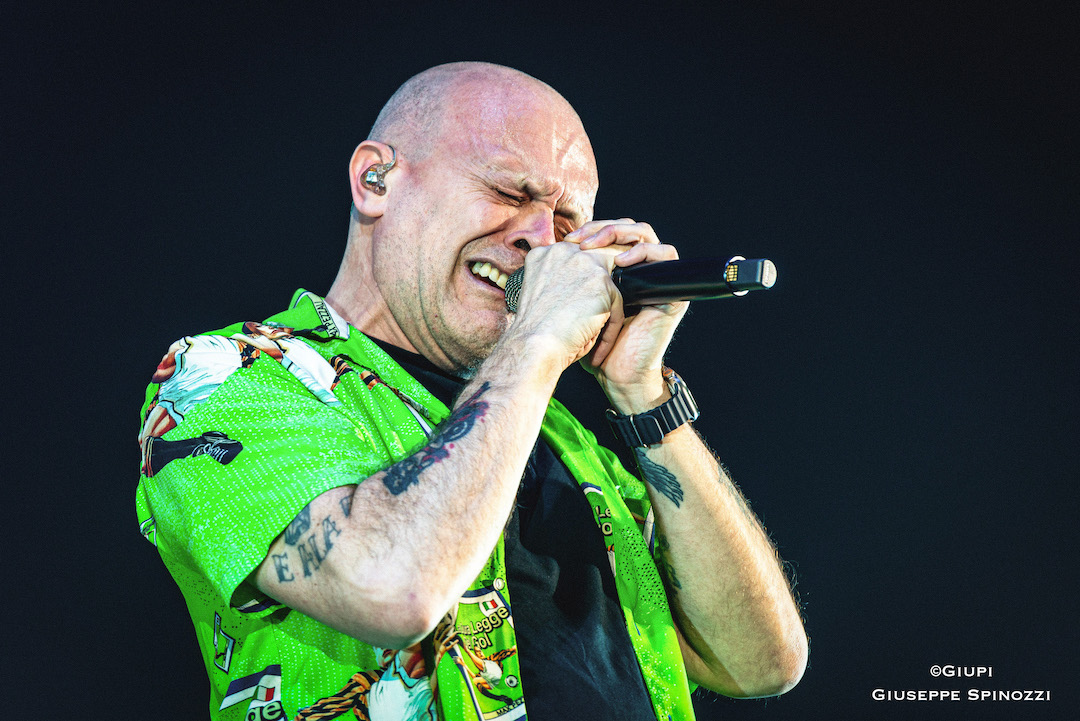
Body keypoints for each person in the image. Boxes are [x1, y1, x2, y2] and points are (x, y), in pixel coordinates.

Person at [135, 61, 808, 721]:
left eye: (567, 222)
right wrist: (536, 342)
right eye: (511, 193)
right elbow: (394, 589)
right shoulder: (229, 376)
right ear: (375, 180)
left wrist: (644, 396)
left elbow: (761, 663)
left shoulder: (559, 436)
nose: (541, 241)